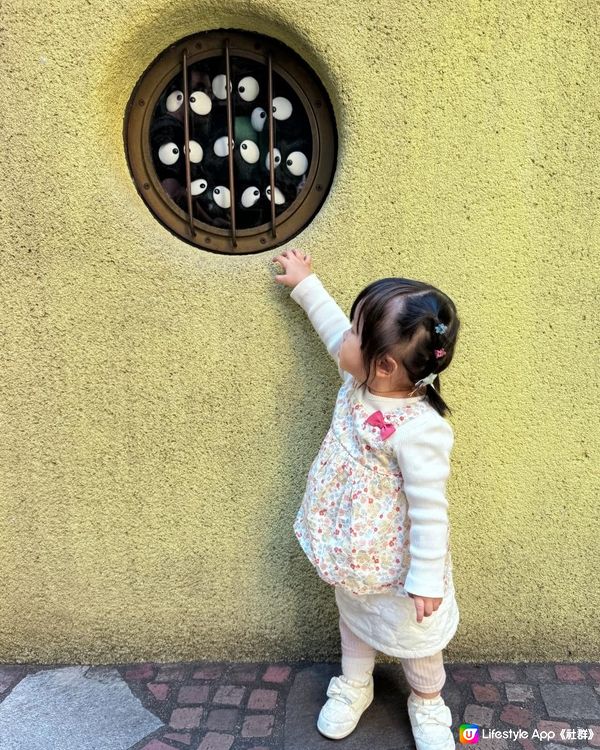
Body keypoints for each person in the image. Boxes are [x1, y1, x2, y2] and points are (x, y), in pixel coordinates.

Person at [272, 249, 461, 750]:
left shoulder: (420, 429)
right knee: (354, 619)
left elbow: (430, 510)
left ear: (384, 364)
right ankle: (355, 684)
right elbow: (333, 328)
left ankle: (427, 702)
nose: (345, 338)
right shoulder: (361, 382)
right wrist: (305, 284)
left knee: (417, 643)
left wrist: (424, 578)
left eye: (357, 333)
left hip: (401, 571)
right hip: (352, 553)